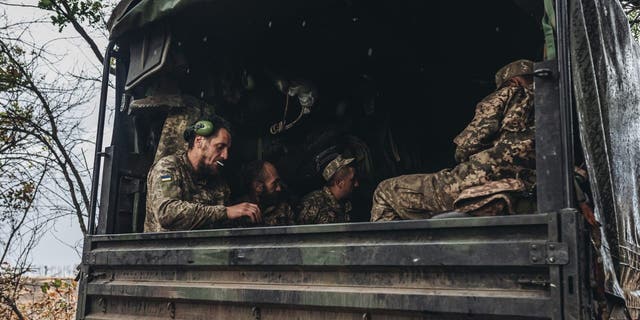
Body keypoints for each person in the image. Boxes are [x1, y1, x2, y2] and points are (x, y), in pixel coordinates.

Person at [371, 59, 536, 221]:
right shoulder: (552, 104)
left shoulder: (511, 92)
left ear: (513, 81)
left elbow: (468, 145)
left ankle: (378, 249)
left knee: (385, 191)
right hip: (526, 183)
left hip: (486, 177)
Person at [144, 116, 262, 232]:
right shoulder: (167, 168)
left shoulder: (216, 180)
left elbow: (224, 223)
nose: (225, 156)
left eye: (227, 149)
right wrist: (225, 212)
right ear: (199, 142)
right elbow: (167, 213)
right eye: (220, 147)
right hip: (166, 250)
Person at [297, 155, 359, 224]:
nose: (356, 184)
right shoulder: (312, 203)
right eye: (352, 180)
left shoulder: (347, 204)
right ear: (339, 183)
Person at [235, 160, 295, 226]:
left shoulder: (284, 208)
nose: (279, 189)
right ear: (258, 187)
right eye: (274, 184)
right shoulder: (238, 212)